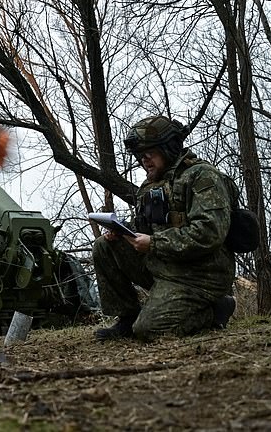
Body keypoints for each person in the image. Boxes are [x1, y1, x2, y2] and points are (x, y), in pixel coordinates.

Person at [93, 115, 237, 341]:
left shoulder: (202, 176)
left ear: (167, 148)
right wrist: (123, 232)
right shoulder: (151, 184)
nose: (144, 160)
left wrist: (155, 243)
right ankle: (128, 317)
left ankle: (215, 310)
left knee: (149, 330)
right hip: (164, 265)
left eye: (149, 153)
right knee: (104, 246)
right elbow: (145, 228)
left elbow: (209, 232)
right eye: (141, 156)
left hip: (200, 275)